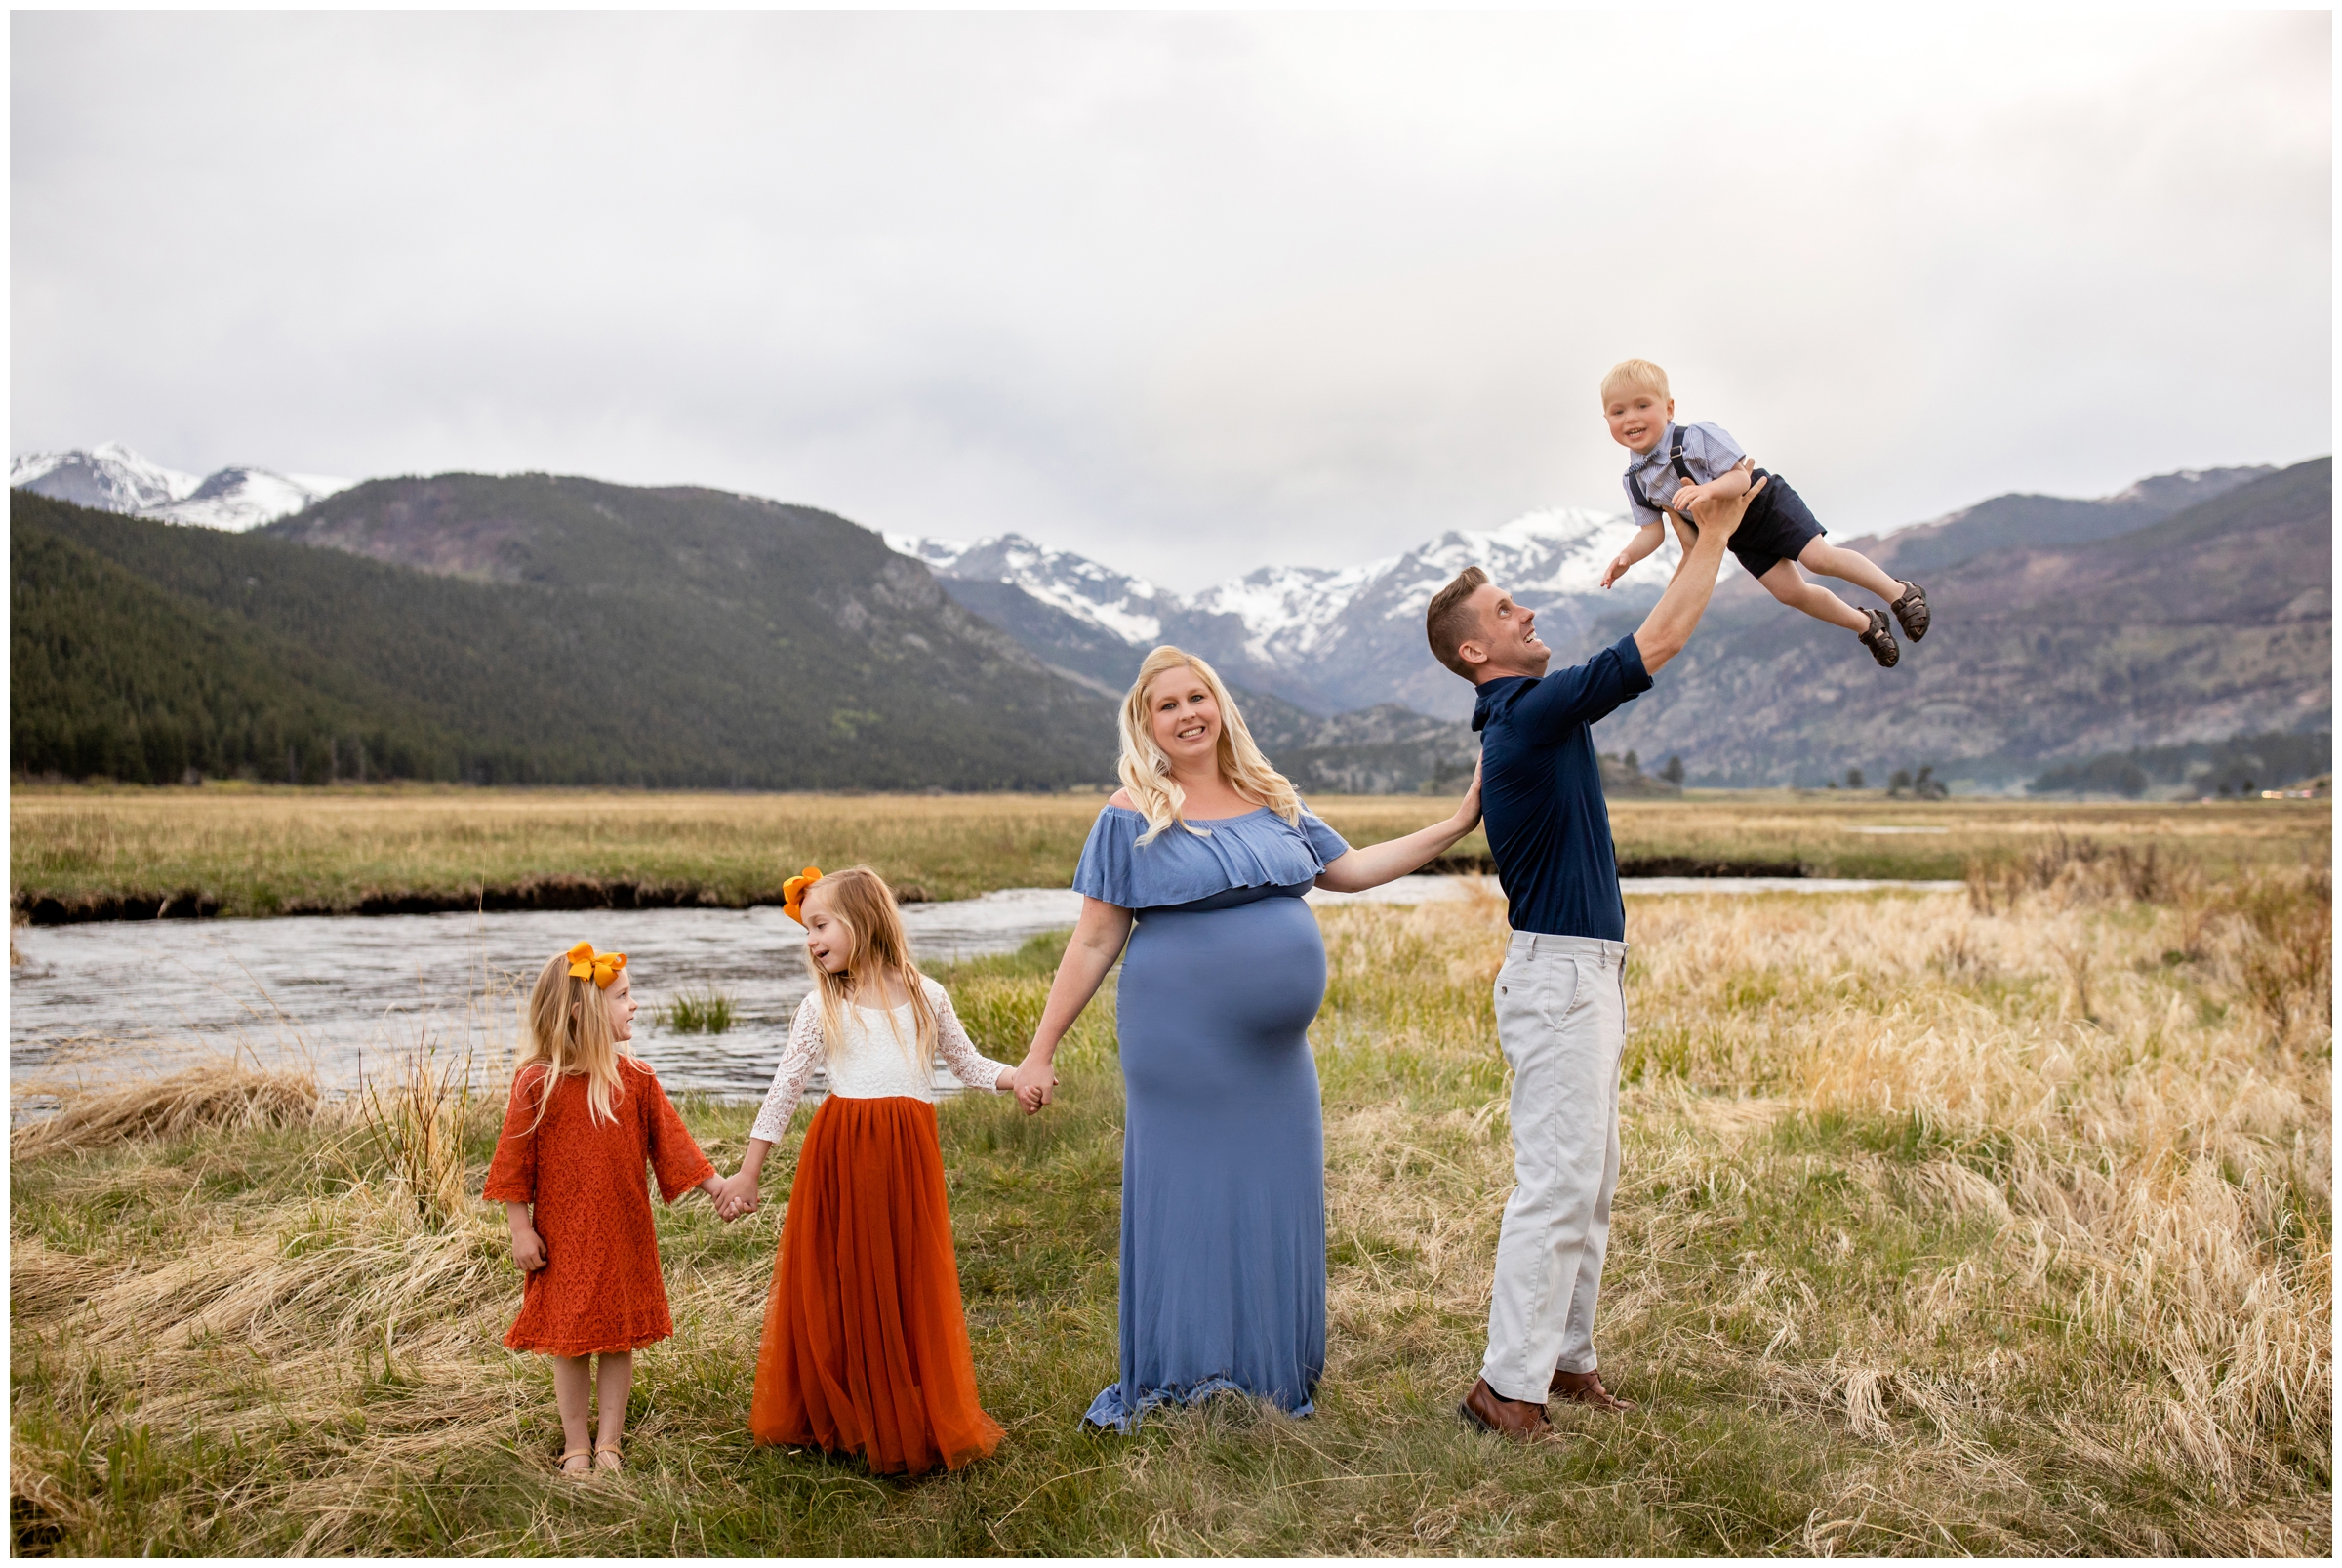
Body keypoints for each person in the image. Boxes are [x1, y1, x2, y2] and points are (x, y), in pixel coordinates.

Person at [1007, 646, 1483, 1430]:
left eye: (1200, 696)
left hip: (1275, 1058)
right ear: (1146, 721)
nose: (1189, 713)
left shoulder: (1271, 796)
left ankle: (1268, 1374)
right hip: (1179, 1041)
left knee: (1272, 1194)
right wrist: (1040, 1048)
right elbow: (1094, 940)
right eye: (1169, 705)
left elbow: (1353, 869)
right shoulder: (1132, 810)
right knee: (1192, 1199)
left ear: (1221, 705)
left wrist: (1459, 822)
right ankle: (1186, 1374)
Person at [1423, 477, 1764, 1441]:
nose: (1524, 609)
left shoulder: (1520, 719)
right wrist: (1718, 533)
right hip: (1559, 977)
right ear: (1474, 652)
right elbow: (1656, 643)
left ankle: (1564, 1360)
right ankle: (1505, 1386)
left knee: (1590, 1177)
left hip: (1580, 973)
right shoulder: (1526, 712)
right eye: (1503, 608)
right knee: (1560, 1180)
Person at [716, 865, 1019, 1476]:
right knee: (844, 1277)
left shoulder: (926, 994)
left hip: (908, 1159)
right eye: (806, 930)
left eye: (820, 925)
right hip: (842, 1155)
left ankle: (902, 1398)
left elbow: (964, 1061)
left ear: (864, 920)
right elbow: (782, 1091)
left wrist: (1015, 1078)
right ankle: (844, 1409)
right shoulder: (820, 1005)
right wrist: (747, 1174)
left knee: (906, 1276)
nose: (811, 940)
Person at [483, 942, 726, 1477]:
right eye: (623, 997)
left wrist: (718, 1188)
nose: (634, 1005)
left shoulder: (635, 1079)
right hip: (563, 1238)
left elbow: (674, 1145)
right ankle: (576, 1445)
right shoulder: (536, 1083)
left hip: (623, 1234)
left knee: (618, 1339)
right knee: (570, 1343)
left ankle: (610, 1443)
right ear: (583, 1013)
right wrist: (520, 1229)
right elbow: (513, 1163)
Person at [1595, 357, 1931, 667]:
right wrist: (1627, 557)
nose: (1632, 418)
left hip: (1764, 504)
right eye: (1618, 411)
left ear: (1668, 408)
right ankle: (1867, 624)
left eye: (1642, 405)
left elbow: (1741, 475)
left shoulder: (1695, 437)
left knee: (1818, 558)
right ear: (1607, 419)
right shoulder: (1636, 481)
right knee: (1790, 593)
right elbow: (1651, 532)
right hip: (1736, 534)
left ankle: (1900, 592)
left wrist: (1706, 490)